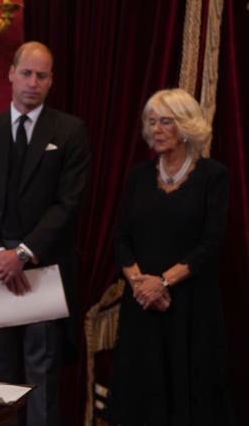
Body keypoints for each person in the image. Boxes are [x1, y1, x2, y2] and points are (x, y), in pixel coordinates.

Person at [0, 41, 90, 426]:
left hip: (42, 272)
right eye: (27, 73)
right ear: (11, 74)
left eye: (42, 75)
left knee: (41, 379)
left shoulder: (69, 131)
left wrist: (23, 253)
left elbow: (69, 203)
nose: (33, 82)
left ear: (51, 82)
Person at [105, 88, 235, 425]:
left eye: (166, 122)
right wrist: (141, 286)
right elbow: (121, 238)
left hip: (190, 306)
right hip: (142, 304)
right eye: (152, 122)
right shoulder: (137, 177)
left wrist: (162, 283)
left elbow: (211, 242)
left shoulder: (213, 176)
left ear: (186, 127)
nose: (157, 129)